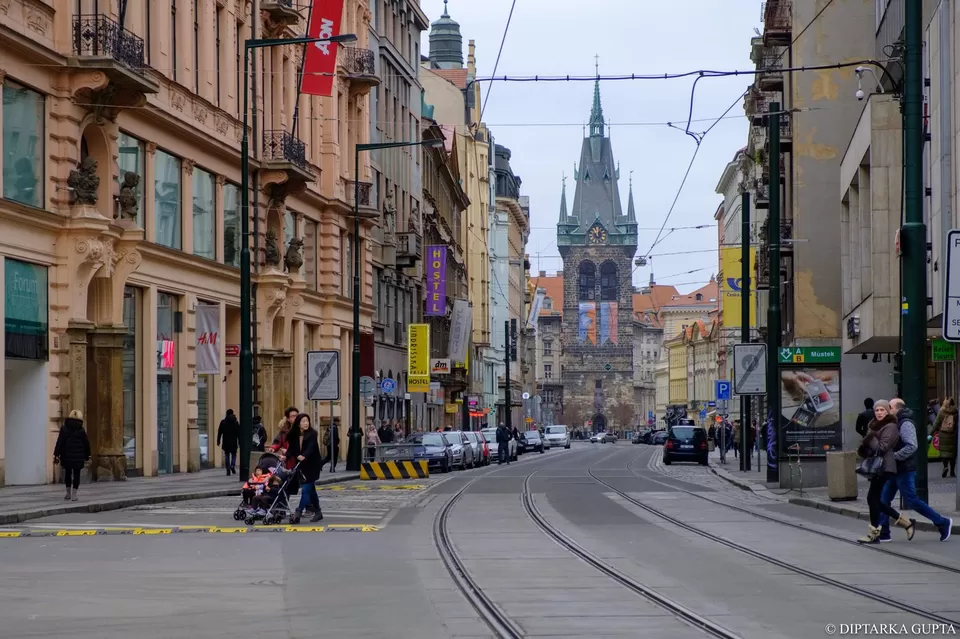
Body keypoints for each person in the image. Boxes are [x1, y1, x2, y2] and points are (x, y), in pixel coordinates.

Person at [878, 398, 953, 542]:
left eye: (890, 407)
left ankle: (942, 522)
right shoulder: (895, 421)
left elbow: (912, 446)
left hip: (904, 470)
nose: (887, 409)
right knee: (883, 500)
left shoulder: (905, 423)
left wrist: (894, 457)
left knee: (912, 500)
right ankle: (884, 533)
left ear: (898, 408)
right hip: (894, 470)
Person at [857, 400, 913, 544]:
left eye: (882, 410)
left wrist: (870, 438)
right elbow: (870, 448)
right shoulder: (874, 425)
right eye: (877, 410)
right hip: (877, 466)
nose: (879, 413)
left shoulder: (891, 426)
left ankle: (874, 534)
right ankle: (903, 522)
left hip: (885, 466)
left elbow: (882, 447)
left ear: (887, 411)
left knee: (872, 499)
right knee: (873, 499)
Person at [288, 413, 323, 524]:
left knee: (306, 489)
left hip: (312, 465)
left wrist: (304, 456)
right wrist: (285, 456)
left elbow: (311, 447)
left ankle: (298, 512)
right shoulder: (294, 435)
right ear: (298, 424)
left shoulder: (313, 434)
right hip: (302, 466)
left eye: (307, 421)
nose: (306, 423)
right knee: (311, 489)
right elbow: (292, 449)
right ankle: (318, 512)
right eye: (303, 421)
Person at [54, 409, 90, 502]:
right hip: (78, 457)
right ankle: (74, 495)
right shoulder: (82, 430)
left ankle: (68, 493)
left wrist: (56, 454)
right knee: (77, 474)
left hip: (66, 456)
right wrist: (87, 456)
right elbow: (86, 444)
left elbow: (59, 442)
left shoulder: (64, 429)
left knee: (68, 473)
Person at [931, 397, 957, 478]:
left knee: (944, 453)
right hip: (953, 435)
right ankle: (952, 472)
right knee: (952, 454)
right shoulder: (956, 412)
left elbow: (936, 423)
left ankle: (945, 467)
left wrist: (931, 433)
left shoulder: (941, 411)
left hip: (943, 434)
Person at [217, 409, 240, 475]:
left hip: (226, 441)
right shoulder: (235, 422)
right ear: (232, 413)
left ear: (226, 414)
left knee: (227, 455)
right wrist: (239, 442)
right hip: (233, 441)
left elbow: (219, 432)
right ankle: (232, 465)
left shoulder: (223, 422)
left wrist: (218, 441)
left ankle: (228, 469)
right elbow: (239, 433)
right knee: (234, 454)